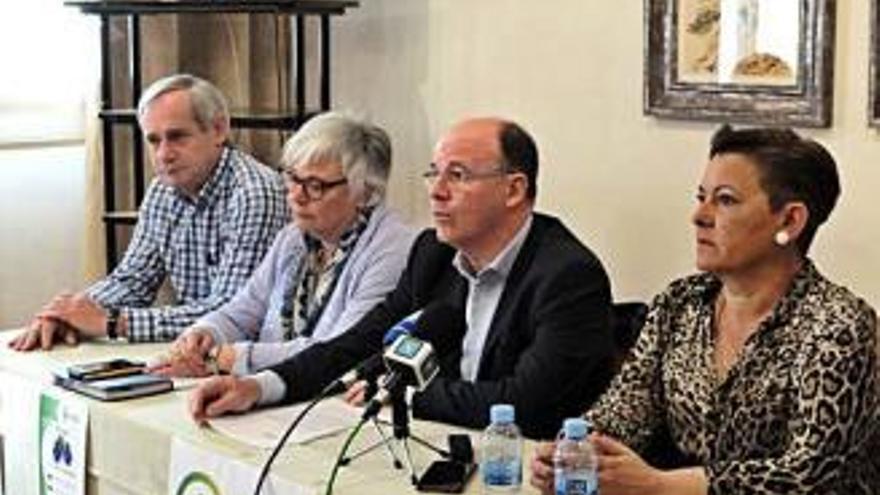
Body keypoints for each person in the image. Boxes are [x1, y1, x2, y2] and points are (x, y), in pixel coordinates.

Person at [188, 117, 616, 439]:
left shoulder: (567, 276)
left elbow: (526, 405)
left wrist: (405, 394)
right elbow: (358, 344)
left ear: (514, 190)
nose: (436, 191)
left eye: (458, 176)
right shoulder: (434, 254)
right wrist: (258, 387)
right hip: (439, 445)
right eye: (434, 172)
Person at [530, 125, 880, 494]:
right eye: (701, 197)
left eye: (725, 200)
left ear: (790, 220)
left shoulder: (839, 326)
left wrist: (661, 485)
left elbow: (810, 475)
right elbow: (626, 408)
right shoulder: (680, 303)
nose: (700, 215)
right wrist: (576, 448)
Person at [10, 74, 288, 350]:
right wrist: (66, 314)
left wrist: (113, 323)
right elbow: (133, 280)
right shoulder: (163, 189)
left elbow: (230, 315)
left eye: (177, 137)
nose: (164, 154)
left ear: (218, 130)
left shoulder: (254, 193)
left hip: (255, 357)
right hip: (197, 352)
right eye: (154, 141)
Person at [148, 113, 416, 377]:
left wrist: (229, 358)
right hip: (280, 391)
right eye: (292, 178)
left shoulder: (393, 249)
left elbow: (337, 351)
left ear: (366, 192)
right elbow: (241, 311)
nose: (296, 196)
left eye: (314, 185)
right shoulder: (293, 239)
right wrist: (204, 334)